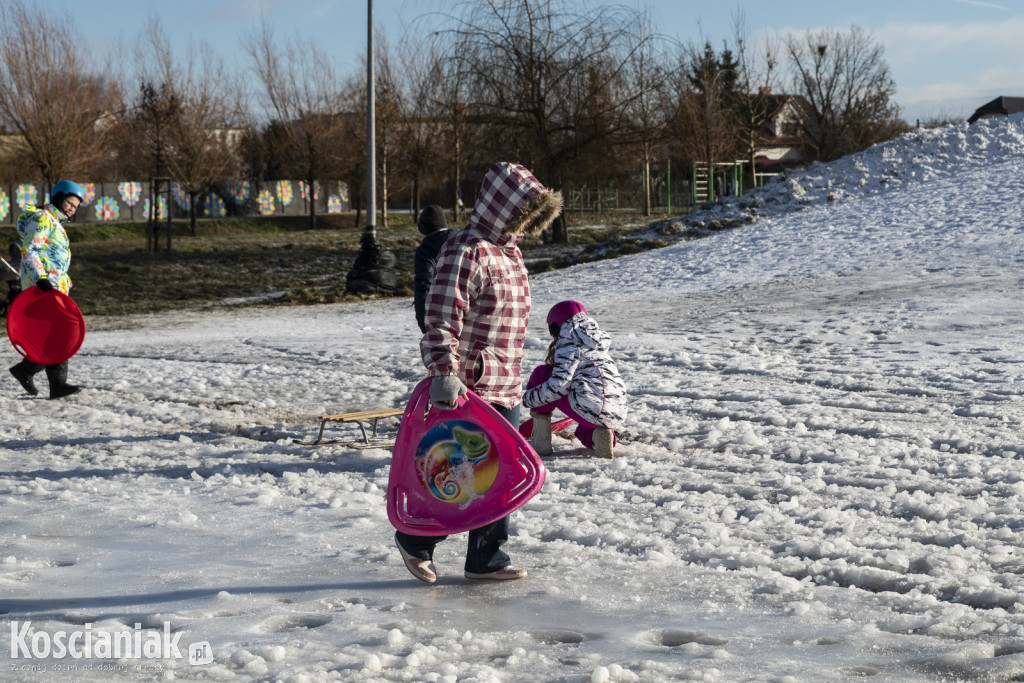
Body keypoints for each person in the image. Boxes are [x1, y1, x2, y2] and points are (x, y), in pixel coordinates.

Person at [394, 161, 562, 584]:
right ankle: (416, 540)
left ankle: (486, 557)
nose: (525, 222)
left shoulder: (511, 252)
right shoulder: (464, 250)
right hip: (468, 388)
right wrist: (443, 372)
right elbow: (441, 316)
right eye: (523, 211)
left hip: (506, 386)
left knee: (500, 475)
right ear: (502, 206)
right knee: (459, 475)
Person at [8, 180, 85, 399]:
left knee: (56, 334)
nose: (71, 208)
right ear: (59, 198)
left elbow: (53, 257)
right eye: (69, 202)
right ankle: (39, 376)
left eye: (75, 206)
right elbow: (30, 250)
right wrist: (41, 279)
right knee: (59, 334)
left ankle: (32, 373)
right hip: (42, 287)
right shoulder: (43, 219)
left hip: (54, 287)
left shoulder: (55, 222)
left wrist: (63, 280)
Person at [523, 301, 627, 459]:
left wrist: (528, 398)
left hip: (591, 409)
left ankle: (541, 442)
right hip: (616, 413)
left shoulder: (568, 344)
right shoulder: (596, 344)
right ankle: (601, 436)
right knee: (583, 431)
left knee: (542, 374)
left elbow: (558, 386)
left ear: (556, 327)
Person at [413, 205, 453, 334]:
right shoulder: (461, 241)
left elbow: (423, 283)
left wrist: (423, 323)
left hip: (439, 316)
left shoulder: (425, 251)